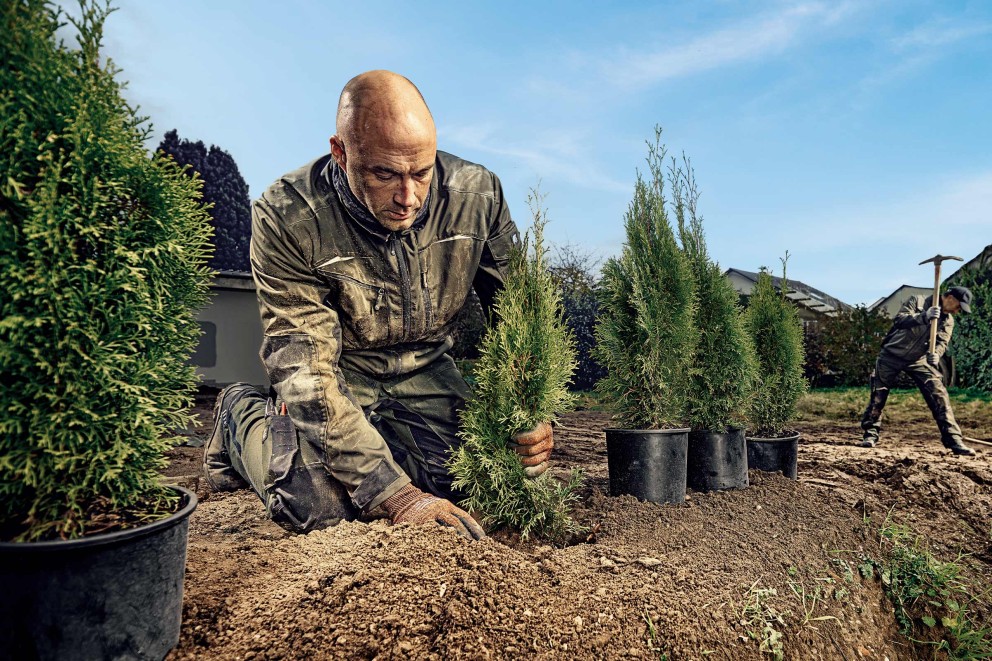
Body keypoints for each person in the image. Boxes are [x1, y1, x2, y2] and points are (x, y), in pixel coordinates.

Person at [202, 70, 554, 539]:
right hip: (335, 370)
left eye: (422, 173)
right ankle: (238, 415)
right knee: (317, 505)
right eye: (384, 174)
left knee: (480, 476)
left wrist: (531, 412)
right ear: (341, 152)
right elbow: (306, 368)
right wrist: (398, 496)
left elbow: (519, 320)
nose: (408, 198)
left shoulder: (479, 195)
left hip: (427, 369)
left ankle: (390, 442)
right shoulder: (286, 216)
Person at [859, 285, 976, 456]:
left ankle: (954, 440)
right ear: (949, 297)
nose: (958, 311)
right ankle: (870, 435)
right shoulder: (918, 300)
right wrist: (924, 316)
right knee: (879, 395)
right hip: (891, 355)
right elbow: (899, 320)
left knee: (939, 393)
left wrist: (936, 354)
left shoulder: (948, 320)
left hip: (918, 360)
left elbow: (942, 343)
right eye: (959, 306)